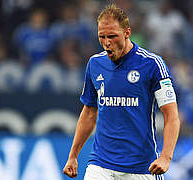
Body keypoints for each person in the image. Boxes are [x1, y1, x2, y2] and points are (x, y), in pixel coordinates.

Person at [63, 4, 180, 180]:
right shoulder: (95, 64)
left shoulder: (152, 64)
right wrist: (73, 156)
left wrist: (165, 157)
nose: (107, 42)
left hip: (141, 168)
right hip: (100, 165)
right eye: (101, 37)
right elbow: (89, 112)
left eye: (112, 36)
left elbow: (171, 116)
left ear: (127, 33)